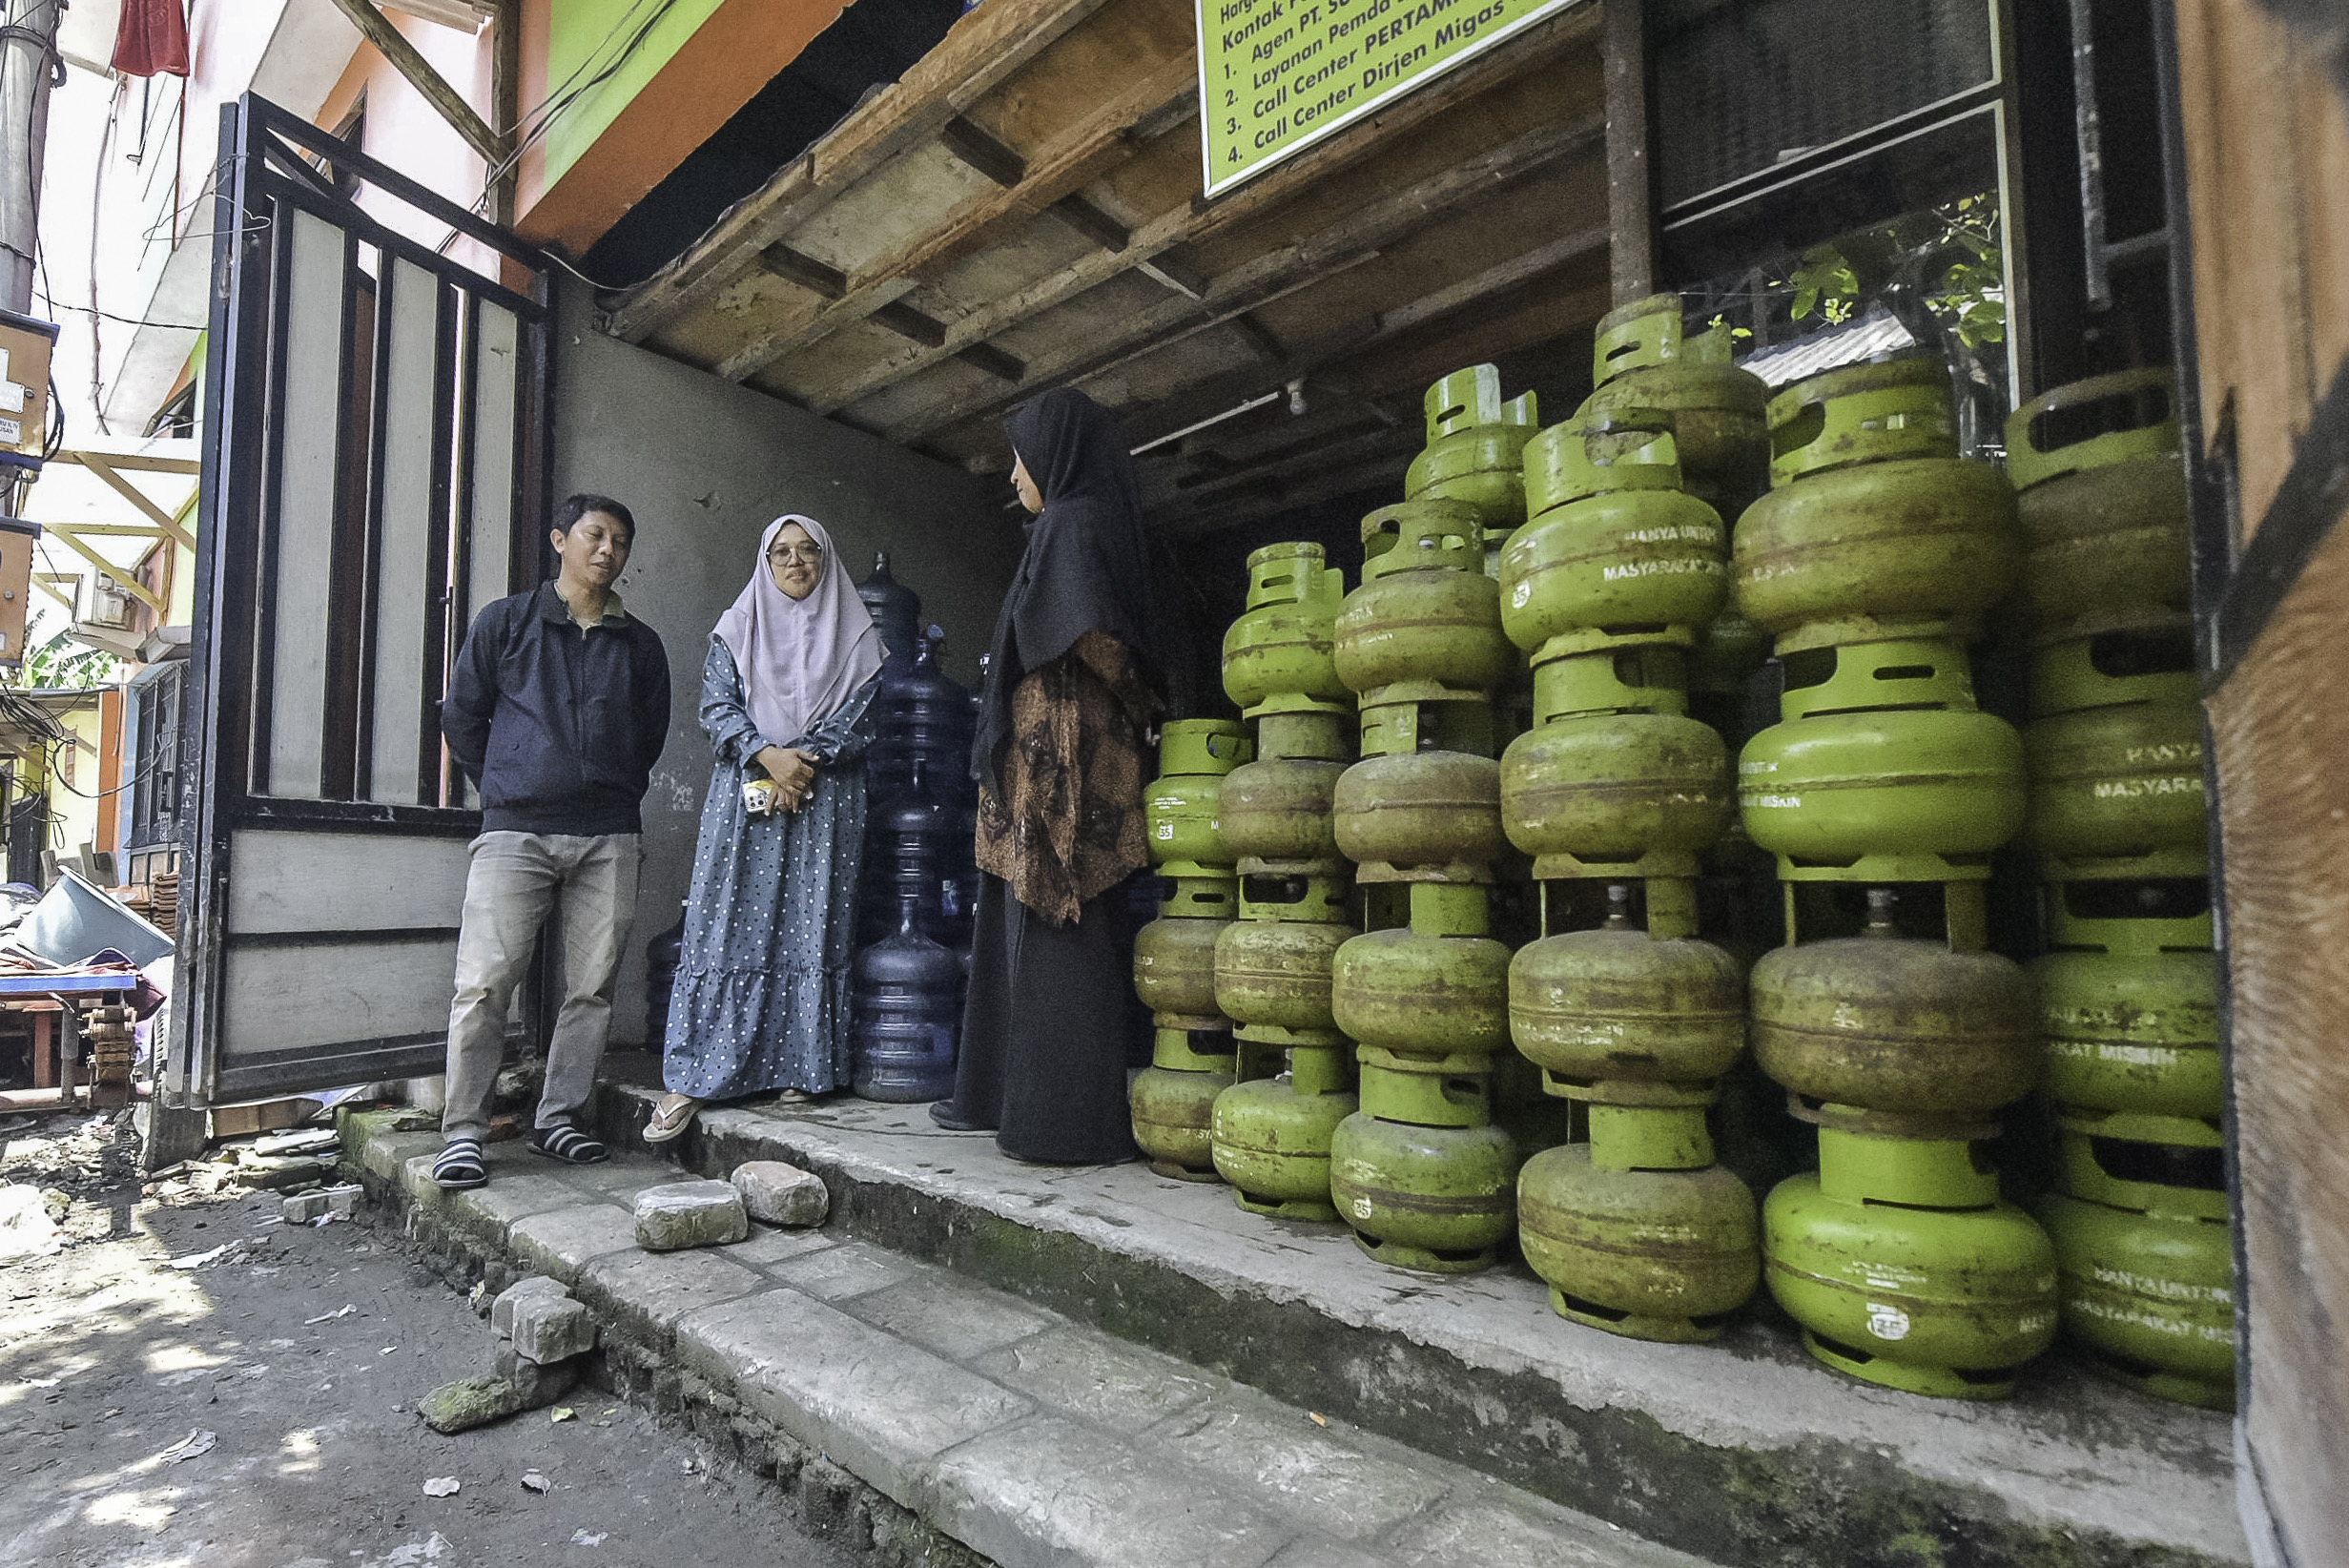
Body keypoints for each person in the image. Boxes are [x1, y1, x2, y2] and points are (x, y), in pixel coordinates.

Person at [932, 387, 1189, 1164]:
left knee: (1055, 910)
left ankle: (1057, 1123)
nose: (1014, 476)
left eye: (1022, 459)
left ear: (1056, 457)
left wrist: (1130, 694)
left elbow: (1083, 635)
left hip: (1064, 746)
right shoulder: (1081, 523)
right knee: (1037, 915)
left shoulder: (1071, 523)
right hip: (1059, 741)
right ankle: (1008, 1101)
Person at [432, 494, 670, 1189]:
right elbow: (463, 715)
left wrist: (613, 787)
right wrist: (507, 782)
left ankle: (559, 1119)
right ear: (561, 539)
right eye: (595, 535)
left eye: (620, 541)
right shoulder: (507, 622)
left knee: (592, 988)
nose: (608, 550)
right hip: (516, 830)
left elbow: (649, 735)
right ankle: (464, 1133)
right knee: (483, 983)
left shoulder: (640, 644)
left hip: (608, 834)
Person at [643, 515, 885, 1144]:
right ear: (765, 561)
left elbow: (861, 717)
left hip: (826, 798)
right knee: (728, 922)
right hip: (748, 790)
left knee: (813, 921)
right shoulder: (737, 628)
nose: (795, 561)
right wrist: (768, 756)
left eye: (808, 551)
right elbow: (716, 707)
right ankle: (700, 1073)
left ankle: (800, 1067)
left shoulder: (858, 636)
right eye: (781, 552)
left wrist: (802, 764)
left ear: (826, 560)